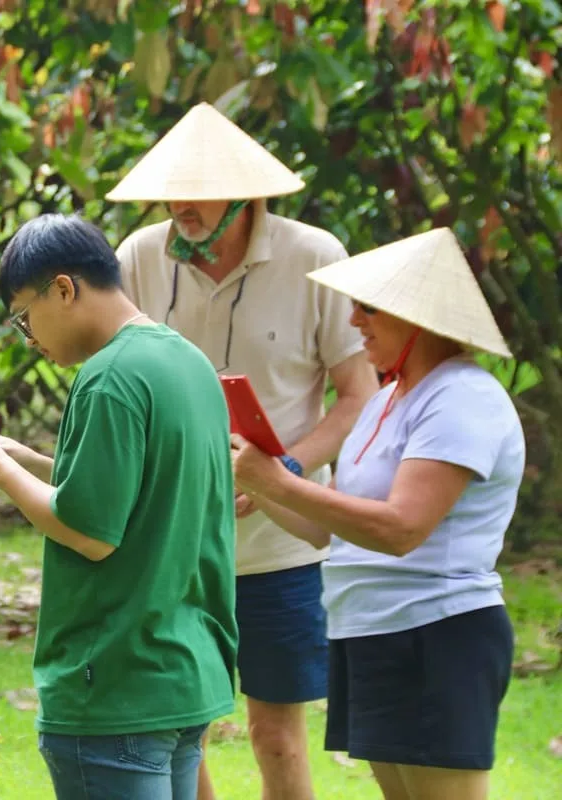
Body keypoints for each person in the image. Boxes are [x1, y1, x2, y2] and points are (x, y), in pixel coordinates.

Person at [107, 101, 380, 800]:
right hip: (172, 538)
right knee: (177, 727)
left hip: (279, 547)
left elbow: (358, 392)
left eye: (197, 193)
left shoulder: (315, 256)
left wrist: (284, 475)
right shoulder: (138, 256)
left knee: (277, 739)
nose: (180, 208)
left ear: (246, 194)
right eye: (171, 192)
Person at [0, 214, 238, 800]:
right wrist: (27, 459)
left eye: (24, 318)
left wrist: (2, 474)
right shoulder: (187, 363)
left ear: (62, 289)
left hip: (115, 683)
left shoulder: (108, 377)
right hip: (183, 675)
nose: (29, 339)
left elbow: (92, 532)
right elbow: (138, 491)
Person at [231, 227, 523, 800]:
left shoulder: (461, 396)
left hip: (436, 632)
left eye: (368, 309)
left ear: (417, 318)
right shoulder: (387, 401)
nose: (354, 322)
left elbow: (400, 528)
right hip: (368, 630)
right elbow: (326, 529)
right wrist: (257, 482)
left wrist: (277, 481)